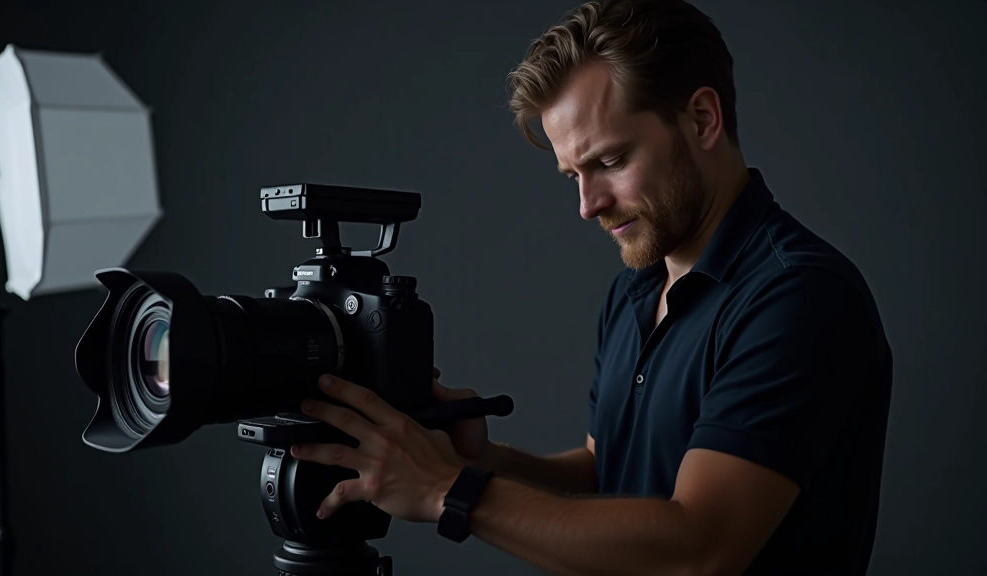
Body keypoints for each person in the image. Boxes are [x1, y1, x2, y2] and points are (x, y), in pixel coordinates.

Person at [288, 0, 894, 575]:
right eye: (572, 174)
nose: (587, 205)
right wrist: (478, 460)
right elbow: (607, 478)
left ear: (703, 119)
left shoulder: (797, 297)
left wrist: (447, 489)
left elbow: (700, 550)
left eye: (609, 161)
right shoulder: (637, 290)